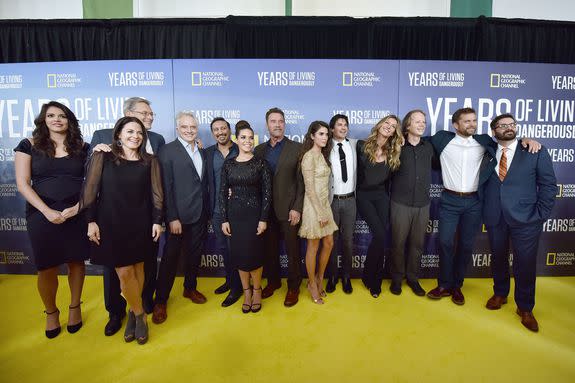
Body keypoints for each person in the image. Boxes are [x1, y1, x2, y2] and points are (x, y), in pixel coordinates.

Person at [426, 107, 540, 305]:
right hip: (449, 200)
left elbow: (509, 141)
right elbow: (418, 141)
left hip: (474, 202)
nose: (472, 124)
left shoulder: (484, 141)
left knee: (466, 245)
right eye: (467, 121)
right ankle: (444, 284)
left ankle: (457, 286)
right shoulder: (442, 139)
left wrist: (527, 139)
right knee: (444, 242)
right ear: (456, 125)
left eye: (474, 120)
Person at [80, 116, 163, 345]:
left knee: (138, 270)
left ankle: (132, 312)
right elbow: (90, 190)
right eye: (129, 132)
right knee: (124, 273)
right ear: (118, 135)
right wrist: (91, 221)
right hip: (111, 223)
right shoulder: (103, 156)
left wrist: (157, 220)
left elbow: (157, 194)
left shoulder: (150, 161)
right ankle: (140, 315)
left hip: (141, 223)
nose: (135, 136)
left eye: (139, 132)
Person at [14, 101, 90, 338]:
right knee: (46, 267)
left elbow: (92, 182)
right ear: (43, 119)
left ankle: (75, 307)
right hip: (41, 212)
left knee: (76, 261)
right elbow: (22, 183)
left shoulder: (83, 147)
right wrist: (46, 211)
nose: (57, 119)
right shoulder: (28, 145)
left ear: (70, 120)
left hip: (76, 211)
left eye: (62, 116)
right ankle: (51, 312)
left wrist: (79, 207)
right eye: (51, 115)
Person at [483, 114, 556, 332]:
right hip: (495, 216)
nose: (508, 128)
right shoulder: (486, 150)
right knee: (498, 257)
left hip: (527, 218)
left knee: (525, 263)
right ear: (493, 130)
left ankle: (525, 307)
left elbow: (549, 185)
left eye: (511, 125)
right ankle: (500, 293)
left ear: (517, 128)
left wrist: (540, 214)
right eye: (502, 126)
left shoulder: (535, 150)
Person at [152, 112, 208, 325]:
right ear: (177, 129)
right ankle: (161, 301)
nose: (189, 130)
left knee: (194, 255)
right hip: (178, 218)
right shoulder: (167, 151)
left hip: (200, 214)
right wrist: (172, 217)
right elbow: (166, 187)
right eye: (185, 127)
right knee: (170, 260)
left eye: (193, 127)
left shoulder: (201, 150)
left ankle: (189, 288)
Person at [254, 107, 304, 307]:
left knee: (293, 251)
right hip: (265, 211)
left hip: (289, 209)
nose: (277, 125)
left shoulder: (297, 148)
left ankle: (293, 286)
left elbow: (302, 182)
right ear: (267, 125)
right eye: (273, 121)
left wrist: (297, 207)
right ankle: (273, 281)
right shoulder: (258, 150)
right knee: (269, 249)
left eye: (280, 121)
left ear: (284, 124)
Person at [220, 121, 272, 313]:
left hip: (255, 216)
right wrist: (224, 219)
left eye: (251, 138)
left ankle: (257, 290)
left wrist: (263, 219)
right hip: (235, 217)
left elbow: (268, 193)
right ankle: (246, 291)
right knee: (240, 257)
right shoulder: (229, 164)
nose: (248, 141)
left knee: (255, 256)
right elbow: (222, 192)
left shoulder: (261, 163)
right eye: (243, 137)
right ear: (236, 139)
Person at [389, 110, 435, 296]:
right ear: (408, 125)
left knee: (417, 244)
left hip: (423, 204)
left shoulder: (429, 147)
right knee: (398, 243)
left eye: (424, 121)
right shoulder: (396, 146)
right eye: (418, 121)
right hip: (400, 203)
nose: (422, 124)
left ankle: (413, 278)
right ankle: (397, 279)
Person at [356, 115, 403, 298]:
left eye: (393, 127)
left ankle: (371, 276)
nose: (389, 127)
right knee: (381, 234)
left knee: (381, 238)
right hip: (364, 196)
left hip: (381, 197)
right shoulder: (361, 145)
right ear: (379, 125)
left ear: (394, 133)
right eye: (387, 123)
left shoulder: (394, 152)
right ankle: (373, 280)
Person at [298, 121, 338, 304]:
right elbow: (310, 189)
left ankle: (320, 277)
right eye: (320, 134)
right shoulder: (308, 156)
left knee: (329, 242)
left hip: (325, 204)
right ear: (312, 136)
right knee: (313, 246)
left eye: (326, 135)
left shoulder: (323, 155)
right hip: (313, 206)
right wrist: (320, 213)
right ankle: (312, 283)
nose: (324, 137)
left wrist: (325, 210)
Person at [205, 117, 242, 307]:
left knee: (234, 249)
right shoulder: (208, 153)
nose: (220, 132)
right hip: (217, 211)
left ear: (230, 130)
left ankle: (237, 288)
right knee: (223, 249)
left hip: (237, 210)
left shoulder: (241, 149)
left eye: (223, 128)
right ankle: (230, 280)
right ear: (213, 133)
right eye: (216, 129)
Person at [326, 114, 358, 295]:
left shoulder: (354, 145)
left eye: (345, 124)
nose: (343, 127)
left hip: (350, 200)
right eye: (339, 124)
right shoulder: (325, 146)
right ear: (332, 129)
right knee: (331, 242)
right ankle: (332, 277)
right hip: (332, 202)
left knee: (347, 241)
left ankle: (346, 276)